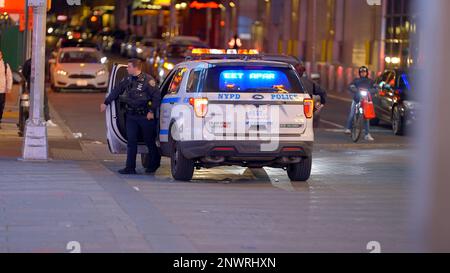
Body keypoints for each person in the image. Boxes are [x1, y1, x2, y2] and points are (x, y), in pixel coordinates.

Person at [100, 59, 161, 174]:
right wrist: (106, 102)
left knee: (149, 141)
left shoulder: (148, 81)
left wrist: (151, 111)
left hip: (145, 116)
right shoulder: (127, 79)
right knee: (131, 142)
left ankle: (154, 165)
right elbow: (116, 91)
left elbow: (157, 97)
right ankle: (130, 167)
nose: (127, 69)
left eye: (129, 67)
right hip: (131, 116)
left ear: (135, 68)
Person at [344, 66, 377, 141]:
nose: (363, 73)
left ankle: (367, 134)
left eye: (364, 72)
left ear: (367, 73)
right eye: (361, 72)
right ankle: (348, 128)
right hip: (357, 99)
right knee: (352, 113)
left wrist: (371, 91)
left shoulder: (370, 81)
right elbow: (351, 86)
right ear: (359, 73)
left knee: (366, 117)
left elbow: (375, 88)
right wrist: (354, 89)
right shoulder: (356, 80)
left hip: (366, 101)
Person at [22, 58, 56, 127]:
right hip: (35, 84)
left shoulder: (30, 62)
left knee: (42, 101)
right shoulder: (37, 62)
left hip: (35, 84)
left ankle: (45, 119)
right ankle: (44, 119)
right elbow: (24, 72)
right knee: (40, 102)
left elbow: (24, 73)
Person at [0, 50, 12, 129]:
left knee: (1, 107)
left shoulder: (5, 65)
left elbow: (9, 77)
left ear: (1, 56)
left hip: (2, 90)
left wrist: (9, 88)